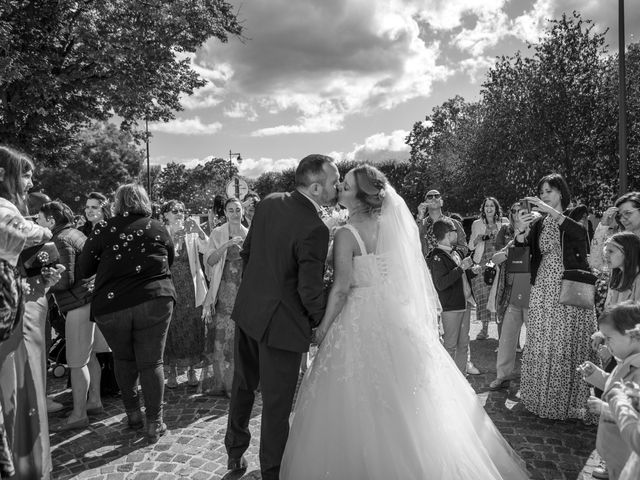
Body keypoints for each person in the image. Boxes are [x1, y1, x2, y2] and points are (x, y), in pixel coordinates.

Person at [280, 165, 529, 480]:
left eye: (346, 186)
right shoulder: (391, 227)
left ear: (360, 196)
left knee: (357, 394)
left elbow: (342, 289)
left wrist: (323, 328)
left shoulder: (346, 234)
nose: (340, 188)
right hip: (394, 315)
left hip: (357, 315)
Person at [224, 154, 339, 479]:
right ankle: (272, 471)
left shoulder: (270, 202)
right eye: (334, 181)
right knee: (276, 403)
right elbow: (309, 291)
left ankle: (234, 452)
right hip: (282, 326)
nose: (337, 186)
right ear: (316, 186)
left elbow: (247, 253)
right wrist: (321, 322)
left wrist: (256, 291)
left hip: (248, 311)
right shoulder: (315, 228)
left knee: (243, 384)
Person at [78, 183, 176, 444]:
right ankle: (154, 422)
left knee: (123, 358)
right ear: (144, 201)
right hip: (154, 298)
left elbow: (84, 268)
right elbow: (170, 259)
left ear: (117, 203)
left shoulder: (103, 229)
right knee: (152, 362)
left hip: (114, 304)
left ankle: (133, 415)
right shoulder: (157, 227)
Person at [0, 145, 62, 480]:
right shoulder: (5, 212)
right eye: (25, 173)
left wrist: (40, 282)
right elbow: (37, 233)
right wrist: (45, 230)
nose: (31, 181)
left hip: (22, 319)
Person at [516, 173, 598, 422]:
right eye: (541, 193)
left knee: (566, 340)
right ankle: (542, 399)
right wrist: (521, 231)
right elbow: (523, 251)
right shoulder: (538, 222)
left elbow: (580, 238)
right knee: (543, 339)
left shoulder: (576, 213)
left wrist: (551, 212)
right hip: (543, 286)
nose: (543, 196)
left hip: (569, 285)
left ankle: (571, 404)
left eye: (548, 191)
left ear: (560, 192)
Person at [37, 201, 109, 432]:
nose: (37, 222)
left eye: (39, 218)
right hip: (92, 299)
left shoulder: (60, 239)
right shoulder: (76, 232)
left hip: (78, 304)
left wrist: (41, 279)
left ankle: (79, 414)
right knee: (91, 357)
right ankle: (94, 401)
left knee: (77, 362)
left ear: (51, 220)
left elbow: (65, 279)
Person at [415, 189, 479, 375]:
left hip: (450, 271)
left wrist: (449, 255)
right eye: (429, 196)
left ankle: (462, 367)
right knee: (433, 325)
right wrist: (419, 217)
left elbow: (463, 246)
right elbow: (412, 243)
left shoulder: (454, 223)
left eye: (437, 196)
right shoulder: (422, 224)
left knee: (461, 335)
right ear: (425, 201)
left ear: (442, 201)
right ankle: (434, 369)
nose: (434, 199)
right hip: (428, 275)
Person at [580, 302, 640, 479]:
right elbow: (615, 386)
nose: (605, 344)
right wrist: (595, 375)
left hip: (629, 461)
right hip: (616, 455)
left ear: (633, 337)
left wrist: (605, 408)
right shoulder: (625, 361)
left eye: (609, 338)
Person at [200, 198, 247, 396]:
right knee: (222, 335)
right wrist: (226, 245)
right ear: (225, 213)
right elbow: (210, 261)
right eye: (231, 210)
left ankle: (237, 381)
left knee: (239, 336)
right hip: (224, 287)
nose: (235, 213)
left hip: (244, 289)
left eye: (238, 209)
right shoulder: (218, 232)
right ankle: (222, 382)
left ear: (242, 211)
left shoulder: (249, 232)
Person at [160, 200, 207, 389]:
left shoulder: (191, 232)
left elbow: (207, 248)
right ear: (165, 215)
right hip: (169, 286)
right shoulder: (161, 233)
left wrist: (200, 231)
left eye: (182, 210)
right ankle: (171, 371)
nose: (179, 213)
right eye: (174, 210)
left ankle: (191, 370)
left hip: (190, 286)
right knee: (172, 328)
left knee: (192, 326)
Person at [489, 202, 532, 390]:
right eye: (514, 211)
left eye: (521, 212)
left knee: (533, 342)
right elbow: (495, 258)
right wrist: (509, 253)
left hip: (533, 297)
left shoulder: (538, 232)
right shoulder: (513, 237)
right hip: (513, 296)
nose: (517, 215)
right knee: (506, 340)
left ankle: (531, 379)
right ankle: (502, 376)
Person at [427, 218, 478, 374]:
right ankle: (447, 380)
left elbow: (459, 275)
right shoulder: (437, 256)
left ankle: (462, 377)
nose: (457, 234)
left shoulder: (455, 252)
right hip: (451, 307)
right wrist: (461, 268)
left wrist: (470, 270)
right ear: (449, 234)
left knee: (464, 343)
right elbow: (441, 283)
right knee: (450, 345)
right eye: (455, 232)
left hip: (465, 303)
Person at [469, 197, 508, 340]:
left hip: (499, 261)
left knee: (500, 293)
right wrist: (478, 239)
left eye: (492, 206)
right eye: (487, 206)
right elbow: (470, 247)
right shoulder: (477, 224)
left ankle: (502, 328)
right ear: (483, 209)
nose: (489, 208)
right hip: (483, 262)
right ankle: (484, 329)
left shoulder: (504, 222)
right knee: (483, 294)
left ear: (496, 208)